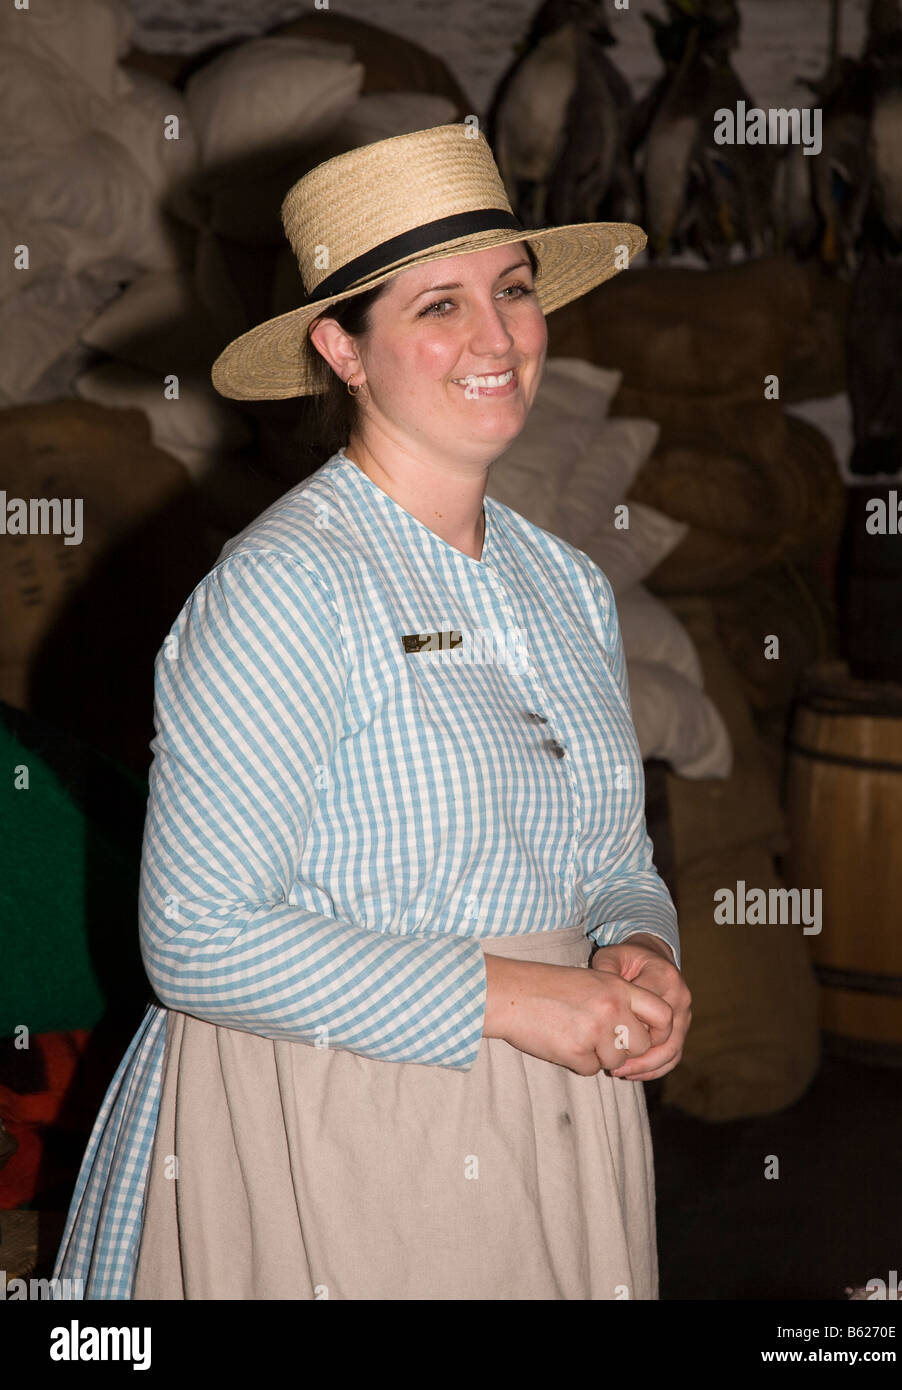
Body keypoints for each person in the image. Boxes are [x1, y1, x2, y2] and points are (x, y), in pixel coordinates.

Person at [54, 123, 690, 1301]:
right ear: (341, 349)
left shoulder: (568, 585)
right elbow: (197, 936)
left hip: (558, 1108)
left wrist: (638, 944)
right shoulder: (288, 585)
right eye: (437, 306)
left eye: (511, 289)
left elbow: (611, 855)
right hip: (343, 1125)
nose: (497, 337)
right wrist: (520, 997)